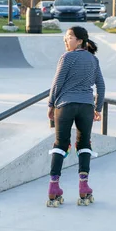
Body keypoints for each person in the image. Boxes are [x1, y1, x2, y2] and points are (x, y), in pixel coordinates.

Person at [46, 26, 106, 207]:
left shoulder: (66, 57)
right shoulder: (93, 60)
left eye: (70, 37)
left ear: (79, 40)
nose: (66, 40)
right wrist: (98, 108)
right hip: (86, 107)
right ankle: (84, 187)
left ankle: (53, 187)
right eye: (65, 37)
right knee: (84, 144)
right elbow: (101, 86)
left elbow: (57, 82)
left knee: (60, 144)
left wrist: (51, 104)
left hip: (65, 106)